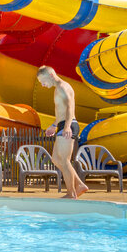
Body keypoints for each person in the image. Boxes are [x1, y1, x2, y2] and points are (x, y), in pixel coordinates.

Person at [37, 66, 89, 199]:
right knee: (56, 159)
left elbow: (70, 107)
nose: (43, 85)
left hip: (69, 125)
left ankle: (71, 193)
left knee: (64, 160)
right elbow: (62, 111)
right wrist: (54, 125)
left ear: (51, 75)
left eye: (43, 81)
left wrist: (66, 127)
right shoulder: (58, 89)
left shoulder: (62, 87)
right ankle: (80, 185)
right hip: (62, 125)